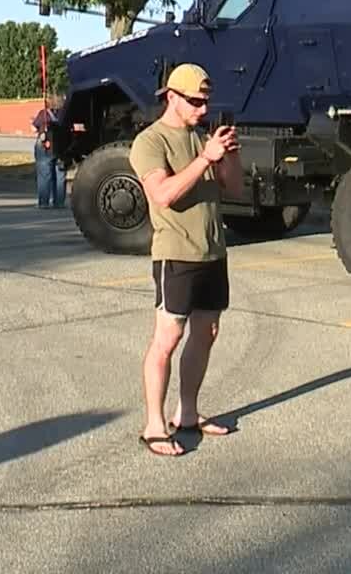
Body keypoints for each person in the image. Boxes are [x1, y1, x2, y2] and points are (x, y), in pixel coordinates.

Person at [128, 63, 243, 456]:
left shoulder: (202, 138)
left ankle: (188, 414)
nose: (202, 109)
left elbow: (237, 188)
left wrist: (226, 155)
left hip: (213, 250)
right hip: (176, 254)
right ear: (171, 97)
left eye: (206, 101)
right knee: (168, 338)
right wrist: (205, 160)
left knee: (206, 333)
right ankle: (154, 425)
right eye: (195, 101)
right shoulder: (150, 141)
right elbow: (162, 195)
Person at [32, 95, 67, 209]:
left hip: (45, 145)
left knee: (44, 175)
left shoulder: (44, 114)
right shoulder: (65, 114)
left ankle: (44, 202)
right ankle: (59, 202)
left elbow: (34, 127)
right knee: (60, 174)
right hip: (61, 145)